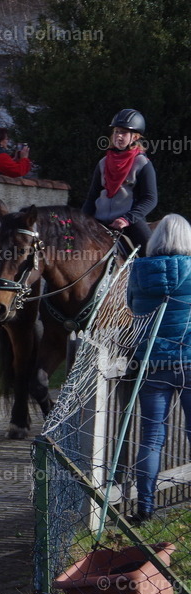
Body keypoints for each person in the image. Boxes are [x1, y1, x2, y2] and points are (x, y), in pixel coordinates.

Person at [127, 214, 191, 523]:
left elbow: (132, 306)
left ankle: (145, 508)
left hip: (153, 364)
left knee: (151, 438)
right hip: (190, 360)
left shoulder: (138, 269)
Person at [82, 109, 158, 256]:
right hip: (99, 222)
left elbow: (150, 199)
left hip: (129, 222)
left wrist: (126, 219)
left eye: (123, 132)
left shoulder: (143, 164)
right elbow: (92, 197)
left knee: (151, 253)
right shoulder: (103, 163)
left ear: (135, 137)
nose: (119, 136)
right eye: (116, 132)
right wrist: (82, 220)